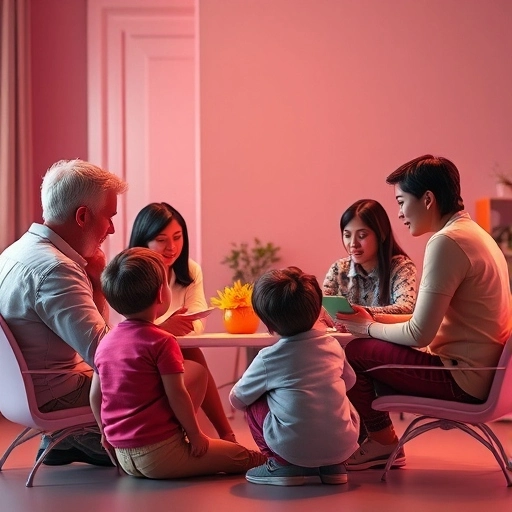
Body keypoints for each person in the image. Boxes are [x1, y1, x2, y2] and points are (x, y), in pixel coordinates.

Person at [337, 155, 512, 471]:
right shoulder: (475, 235)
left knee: (356, 352)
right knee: (369, 343)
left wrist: (365, 330)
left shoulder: (446, 241)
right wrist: (372, 318)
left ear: (428, 199)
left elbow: (421, 333)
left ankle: (382, 440)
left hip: (461, 381)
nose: (400, 214)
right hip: (488, 377)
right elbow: (425, 318)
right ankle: (376, 437)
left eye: (402, 202)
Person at [90, 247, 266, 479]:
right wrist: (195, 435)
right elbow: (178, 394)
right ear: (161, 294)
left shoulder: (106, 342)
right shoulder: (161, 341)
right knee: (241, 456)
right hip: (159, 456)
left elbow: (95, 396)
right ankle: (278, 464)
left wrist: (105, 434)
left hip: (124, 458)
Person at [0, 159, 128, 465]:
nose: (111, 229)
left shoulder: (14, 252)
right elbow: (103, 356)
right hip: (53, 393)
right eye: (108, 217)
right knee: (186, 373)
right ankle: (155, 454)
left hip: (16, 391)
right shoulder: (56, 269)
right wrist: (101, 284)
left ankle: (72, 439)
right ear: (82, 216)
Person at [229, 266, 360, 486]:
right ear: (318, 309)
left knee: (255, 400)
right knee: (337, 393)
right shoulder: (332, 345)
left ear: (269, 325)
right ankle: (333, 467)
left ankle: (282, 466)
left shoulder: (268, 358)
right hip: (342, 446)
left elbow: (237, 398)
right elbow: (350, 381)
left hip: (291, 447)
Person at [128, 202, 236, 442]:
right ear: (144, 240)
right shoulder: (130, 272)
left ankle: (215, 434)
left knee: (189, 348)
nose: (172, 247)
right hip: (136, 355)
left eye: (178, 237)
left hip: (171, 352)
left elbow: (197, 322)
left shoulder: (189, 270)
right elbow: (125, 329)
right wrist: (165, 329)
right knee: (191, 351)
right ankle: (223, 433)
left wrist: (166, 329)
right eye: (161, 239)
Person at [323, 199, 417, 326]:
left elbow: (405, 309)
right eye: (347, 235)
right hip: (344, 341)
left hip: (386, 340)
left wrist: (357, 314)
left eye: (361, 236)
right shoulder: (339, 269)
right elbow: (324, 307)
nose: (353, 244)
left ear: (381, 235)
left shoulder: (402, 268)